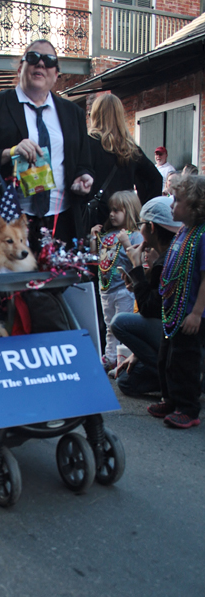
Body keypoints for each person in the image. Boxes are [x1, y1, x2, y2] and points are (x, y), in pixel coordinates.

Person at [0, 39, 94, 250]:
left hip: (61, 219)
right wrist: (10, 152)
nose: (40, 64)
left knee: (60, 282)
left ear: (56, 75)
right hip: (11, 221)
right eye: (33, 58)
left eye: (49, 61)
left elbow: (84, 162)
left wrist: (83, 177)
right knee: (16, 282)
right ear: (21, 68)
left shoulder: (72, 113)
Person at [147, 175, 205, 429]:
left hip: (190, 313)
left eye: (177, 200)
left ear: (195, 206)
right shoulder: (184, 232)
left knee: (185, 362)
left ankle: (188, 408)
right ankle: (171, 399)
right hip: (174, 310)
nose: (172, 205)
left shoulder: (202, 237)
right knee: (166, 359)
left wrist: (197, 313)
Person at [110, 197, 180, 396]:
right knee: (126, 383)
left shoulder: (168, 259)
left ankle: (173, 376)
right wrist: (137, 354)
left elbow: (151, 309)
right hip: (165, 333)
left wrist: (137, 267)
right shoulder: (164, 254)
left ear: (151, 227)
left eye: (141, 225)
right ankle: (167, 374)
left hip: (176, 336)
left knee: (120, 322)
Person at [86, 93, 162, 227]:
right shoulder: (130, 149)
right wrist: (143, 213)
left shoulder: (87, 144)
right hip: (124, 220)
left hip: (93, 219)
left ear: (96, 115)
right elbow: (155, 179)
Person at [90, 190, 143, 371]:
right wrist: (93, 238)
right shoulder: (106, 236)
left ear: (128, 211)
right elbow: (95, 257)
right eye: (111, 210)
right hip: (106, 288)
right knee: (109, 324)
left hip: (124, 289)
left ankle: (122, 357)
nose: (112, 214)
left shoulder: (134, 235)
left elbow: (138, 261)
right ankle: (110, 356)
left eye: (117, 210)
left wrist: (127, 243)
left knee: (121, 325)